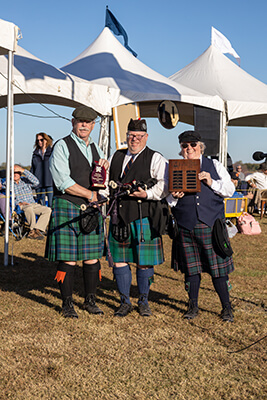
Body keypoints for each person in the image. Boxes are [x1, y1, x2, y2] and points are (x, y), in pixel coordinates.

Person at [45, 105, 109, 319]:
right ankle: (67, 303)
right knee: (68, 258)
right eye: (80, 121)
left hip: (91, 210)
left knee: (91, 257)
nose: (84, 125)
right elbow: (62, 181)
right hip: (68, 205)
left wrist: (104, 170)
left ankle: (90, 300)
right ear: (73, 123)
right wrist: (91, 196)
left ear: (93, 125)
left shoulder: (96, 149)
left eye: (88, 122)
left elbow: (101, 177)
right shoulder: (62, 145)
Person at [168, 130, 235, 322]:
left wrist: (211, 181)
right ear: (181, 148)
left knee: (218, 271)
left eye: (192, 145)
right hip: (185, 224)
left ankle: (227, 308)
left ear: (200, 147)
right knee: (191, 270)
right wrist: (174, 196)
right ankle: (193, 306)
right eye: (185, 146)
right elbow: (167, 199)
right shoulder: (174, 167)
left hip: (210, 225)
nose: (189, 149)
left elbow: (229, 190)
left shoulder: (214, 164)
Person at [106, 118, 169, 317]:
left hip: (145, 215)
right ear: (126, 136)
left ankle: (143, 300)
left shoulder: (155, 158)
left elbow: (165, 184)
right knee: (119, 260)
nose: (134, 140)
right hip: (119, 215)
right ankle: (125, 302)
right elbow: (106, 182)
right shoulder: (116, 156)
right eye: (131, 136)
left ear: (146, 137)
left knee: (144, 261)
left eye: (139, 136)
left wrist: (147, 194)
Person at [13, 164, 52, 240]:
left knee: (47, 210)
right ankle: (32, 231)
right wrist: (18, 202)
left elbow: (36, 182)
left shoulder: (25, 181)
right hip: (21, 205)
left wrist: (24, 170)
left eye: (17, 172)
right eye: (13, 172)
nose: (15, 174)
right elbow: (7, 196)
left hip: (32, 203)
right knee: (29, 208)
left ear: (20, 173)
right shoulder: (8, 183)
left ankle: (38, 229)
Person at [31, 132, 53, 207]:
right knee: (41, 206)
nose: (40, 142)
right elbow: (33, 169)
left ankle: (51, 219)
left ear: (46, 140)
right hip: (39, 184)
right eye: (38, 140)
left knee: (51, 205)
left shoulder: (52, 152)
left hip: (50, 183)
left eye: (42, 140)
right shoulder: (35, 154)